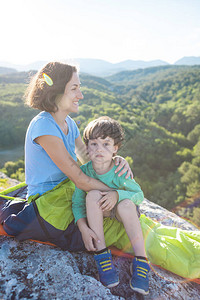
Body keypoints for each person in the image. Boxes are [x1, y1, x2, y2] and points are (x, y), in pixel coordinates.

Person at [0, 62, 132, 252]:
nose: (81, 95)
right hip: (49, 202)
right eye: (74, 88)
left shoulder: (69, 123)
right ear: (56, 91)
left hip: (69, 192)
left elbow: (88, 158)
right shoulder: (44, 126)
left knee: (121, 216)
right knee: (116, 220)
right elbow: (79, 177)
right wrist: (118, 192)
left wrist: (116, 160)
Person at [72, 116, 150, 295]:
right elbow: (77, 203)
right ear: (87, 147)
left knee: (125, 205)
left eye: (106, 144)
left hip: (124, 211)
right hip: (101, 210)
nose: (99, 149)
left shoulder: (120, 170)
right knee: (91, 195)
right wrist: (83, 228)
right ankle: (101, 254)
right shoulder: (85, 171)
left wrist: (117, 194)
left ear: (115, 148)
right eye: (93, 144)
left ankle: (141, 259)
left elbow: (138, 195)